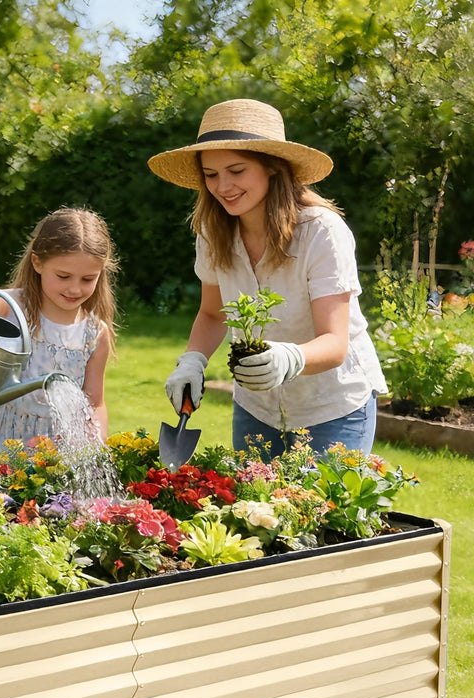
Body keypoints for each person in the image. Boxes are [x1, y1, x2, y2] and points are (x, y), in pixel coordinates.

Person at [149, 98, 386, 458]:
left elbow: (335, 343)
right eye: (211, 175)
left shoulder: (320, 232)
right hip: (256, 407)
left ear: (272, 167)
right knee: (254, 496)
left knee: (321, 498)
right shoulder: (213, 232)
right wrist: (193, 360)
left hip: (332, 407)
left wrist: (290, 357)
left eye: (236, 170)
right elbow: (213, 314)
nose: (223, 186)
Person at [0, 207, 117, 459]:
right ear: (37, 262)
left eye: (87, 279)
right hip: (6, 443)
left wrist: (96, 441)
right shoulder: (11, 308)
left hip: (59, 451)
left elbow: (94, 402)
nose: (74, 288)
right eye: (63, 276)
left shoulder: (94, 333)